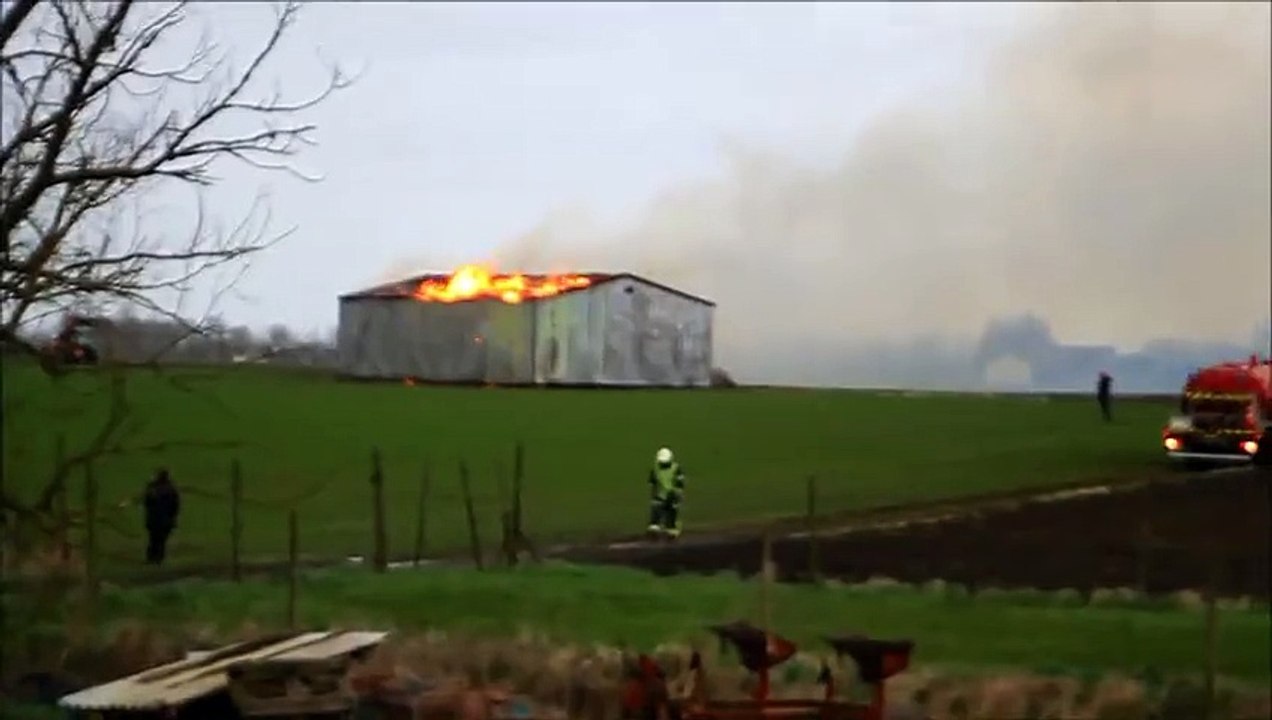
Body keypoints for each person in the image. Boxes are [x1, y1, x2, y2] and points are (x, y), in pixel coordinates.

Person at [143, 468, 180, 565]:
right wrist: (173, 518)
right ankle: (158, 559)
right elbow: (175, 506)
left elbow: (147, 503)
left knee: (153, 539)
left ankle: (151, 558)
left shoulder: (152, 489)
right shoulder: (171, 489)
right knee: (161, 540)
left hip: (153, 519)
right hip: (165, 520)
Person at [647, 447, 685, 539]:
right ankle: (655, 525)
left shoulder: (676, 468)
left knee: (671, 512)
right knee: (656, 509)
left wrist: (677, 497)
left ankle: (671, 527)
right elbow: (653, 484)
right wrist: (654, 496)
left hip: (672, 496)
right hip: (659, 497)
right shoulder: (655, 469)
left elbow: (680, 485)